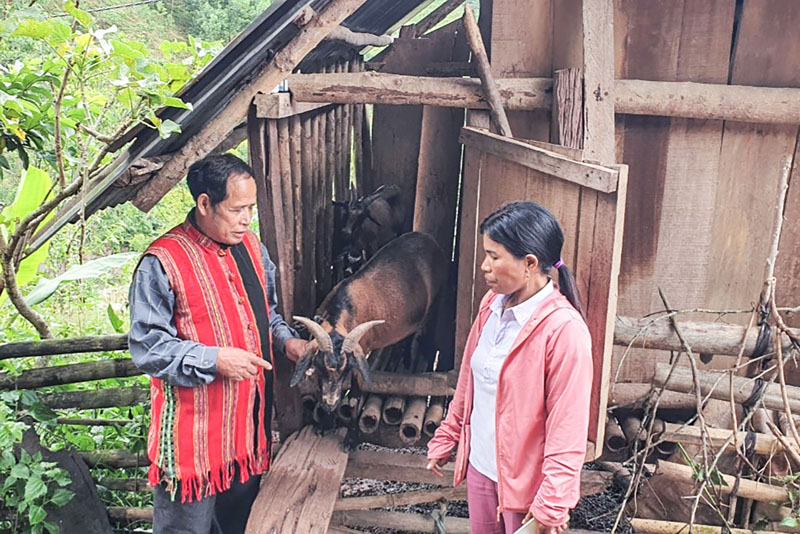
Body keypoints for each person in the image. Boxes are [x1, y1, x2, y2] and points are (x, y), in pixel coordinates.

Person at [128, 154, 308, 534]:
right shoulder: (162, 262)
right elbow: (149, 347)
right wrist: (214, 359)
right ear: (205, 204)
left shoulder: (253, 249)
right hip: (192, 449)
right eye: (237, 209)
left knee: (238, 527)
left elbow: (267, 315)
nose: (247, 219)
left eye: (251, 209)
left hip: (246, 436)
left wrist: (287, 342)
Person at [426, 201, 593, 534]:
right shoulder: (492, 305)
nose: (485, 266)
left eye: (494, 256)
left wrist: (552, 503)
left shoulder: (564, 331)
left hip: (528, 491)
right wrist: (449, 434)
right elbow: (470, 378)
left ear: (529, 263)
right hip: (482, 471)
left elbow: (568, 428)